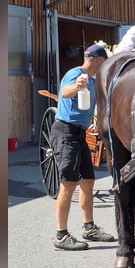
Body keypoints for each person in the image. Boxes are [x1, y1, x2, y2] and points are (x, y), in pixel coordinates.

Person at [51, 43, 115, 250]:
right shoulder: (76, 74)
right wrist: (77, 86)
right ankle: (61, 235)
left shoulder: (95, 82)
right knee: (68, 183)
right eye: (103, 62)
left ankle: (89, 228)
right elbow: (65, 93)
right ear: (98, 60)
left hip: (81, 133)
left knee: (87, 181)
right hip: (66, 132)